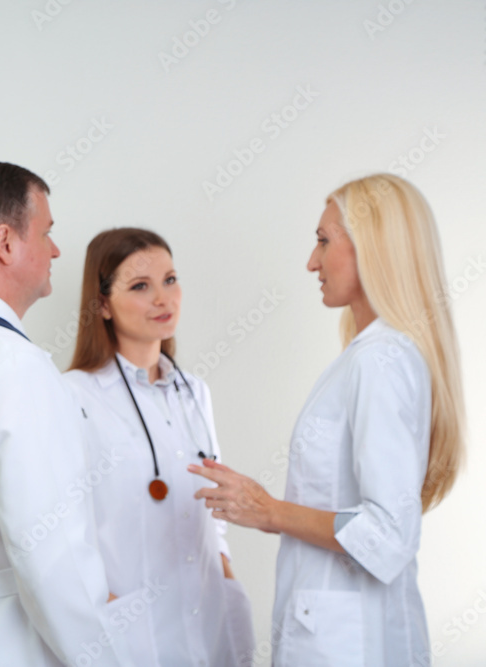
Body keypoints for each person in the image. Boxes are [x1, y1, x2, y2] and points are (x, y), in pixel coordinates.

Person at [188, 173, 466, 665]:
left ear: (372, 247)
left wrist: (271, 510)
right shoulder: (370, 355)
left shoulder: (379, 360)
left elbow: (386, 534)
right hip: (347, 631)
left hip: (351, 643)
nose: (311, 261)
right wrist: (264, 511)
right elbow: (348, 507)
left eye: (323, 241)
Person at [0, 162, 133, 667]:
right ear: (5, 243)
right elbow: (50, 553)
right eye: (47, 232)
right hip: (8, 643)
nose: (56, 249)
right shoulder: (18, 369)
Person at [63, 228, 255, 666]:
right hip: (134, 638)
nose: (163, 299)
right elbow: (65, 528)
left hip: (210, 626)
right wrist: (110, 608)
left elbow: (215, 512)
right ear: (103, 304)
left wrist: (228, 579)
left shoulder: (194, 393)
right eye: (140, 286)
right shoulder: (73, 396)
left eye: (170, 280)